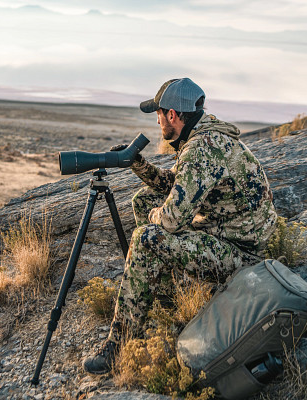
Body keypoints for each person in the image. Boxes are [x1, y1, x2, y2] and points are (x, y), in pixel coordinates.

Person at [82, 78, 278, 375]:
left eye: (158, 114)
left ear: (173, 115)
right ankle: (160, 293)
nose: (157, 120)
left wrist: (154, 220)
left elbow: (172, 220)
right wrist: (139, 165)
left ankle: (119, 344)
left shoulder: (202, 148)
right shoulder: (202, 136)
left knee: (147, 237)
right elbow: (175, 184)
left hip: (242, 257)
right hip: (225, 236)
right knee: (143, 201)